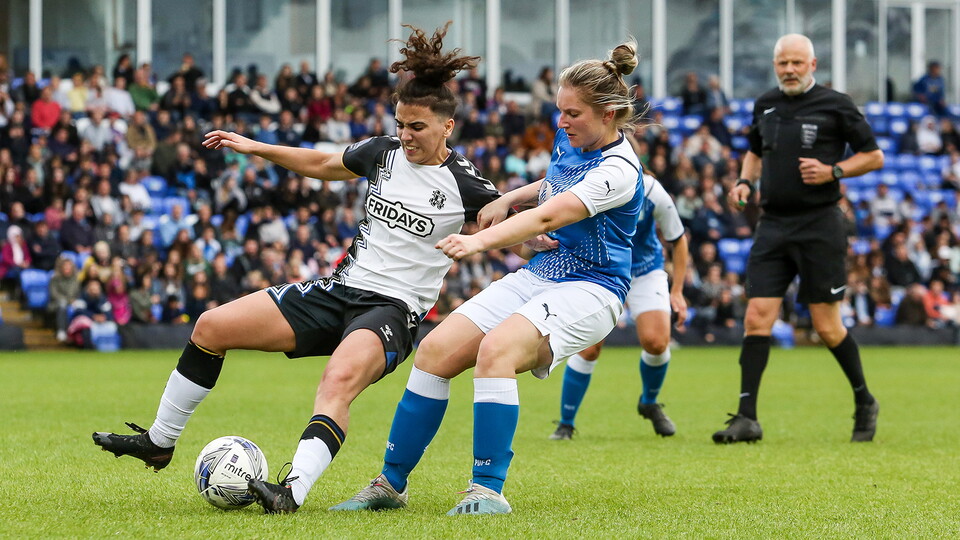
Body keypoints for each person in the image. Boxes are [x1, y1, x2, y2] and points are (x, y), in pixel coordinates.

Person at [92, 22, 498, 515]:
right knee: (211, 326)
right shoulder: (381, 154)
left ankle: (291, 491)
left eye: (417, 127)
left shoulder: (467, 184)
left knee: (336, 382)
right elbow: (322, 163)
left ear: (446, 126)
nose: (406, 136)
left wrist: (532, 237)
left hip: (391, 311)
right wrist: (255, 146)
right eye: (400, 124)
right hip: (337, 289)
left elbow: (512, 231)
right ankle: (159, 441)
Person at [332, 38, 644, 516]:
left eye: (573, 114)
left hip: (594, 287)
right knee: (435, 352)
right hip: (544, 272)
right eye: (560, 111)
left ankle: (487, 490)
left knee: (496, 351)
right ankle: (389, 485)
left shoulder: (620, 170)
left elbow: (550, 216)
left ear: (608, 114)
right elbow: (557, 180)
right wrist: (509, 196)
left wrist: (477, 241)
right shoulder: (574, 138)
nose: (561, 122)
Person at [714, 34, 884, 444]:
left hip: (820, 225)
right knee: (757, 317)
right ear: (776, 66)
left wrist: (834, 171)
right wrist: (743, 182)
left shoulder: (837, 104)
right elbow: (755, 151)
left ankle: (864, 400)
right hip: (773, 224)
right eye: (782, 63)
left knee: (826, 326)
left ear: (813, 64)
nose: (789, 70)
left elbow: (874, 155)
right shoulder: (765, 103)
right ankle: (747, 418)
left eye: (796, 63)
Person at [549, 173, 688, 440]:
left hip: (644, 270)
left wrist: (678, 291)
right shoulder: (592, 185)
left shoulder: (652, 192)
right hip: (600, 270)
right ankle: (565, 423)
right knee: (589, 348)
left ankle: (649, 401)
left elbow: (678, 239)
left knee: (657, 343)